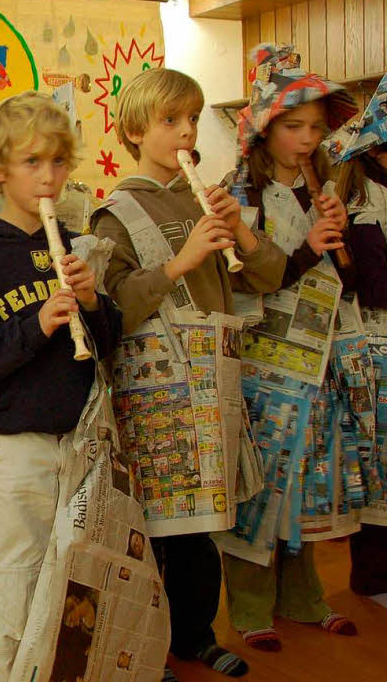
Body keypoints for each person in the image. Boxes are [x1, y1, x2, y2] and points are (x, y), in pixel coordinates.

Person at [92, 66, 286, 680]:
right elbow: (114, 307)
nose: (185, 132)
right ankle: (148, 642)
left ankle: (195, 633)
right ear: (133, 129)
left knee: (202, 527)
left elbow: (271, 278)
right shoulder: (115, 213)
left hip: (213, 384)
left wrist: (244, 240)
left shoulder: (206, 196)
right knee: (153, 530)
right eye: (169, 120)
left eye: (192, 119)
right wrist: (180, 263)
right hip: (152, 393)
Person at [0, 91, 121, 681]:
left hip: (78, 443)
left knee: (70, 590)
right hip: (12, 447)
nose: (49, 177)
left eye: (60, 162)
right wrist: (36, 324)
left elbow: (108, 341)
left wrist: (93, 304)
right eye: (32, 163)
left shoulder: (67, 239)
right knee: (13, 590)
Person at [222, 44, 362, 651]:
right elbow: (256, 274)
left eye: (315, 128)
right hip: (263, 357)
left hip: (318, 353)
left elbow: (344, 278)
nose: (308, 140)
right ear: (264, 129)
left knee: (302, 480)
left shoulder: (324, 188)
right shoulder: (236, 193)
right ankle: (251, 605)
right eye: (294, 126)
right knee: (259, 483)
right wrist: (308, 248)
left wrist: (337, 239)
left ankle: (305, 596)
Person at [328, 73, 387, 606]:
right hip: (369, 346)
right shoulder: (354, 194)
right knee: (376, 464)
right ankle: (374, 578)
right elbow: (365, 283)